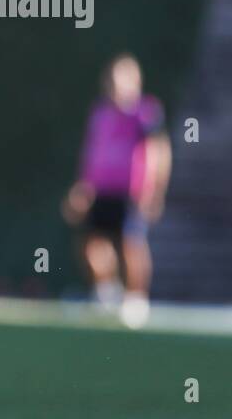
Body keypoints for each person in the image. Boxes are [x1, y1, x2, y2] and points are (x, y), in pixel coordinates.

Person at [63, 54, 172, 329]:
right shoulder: (100, 114)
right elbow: (92, 152)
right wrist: (82, 187)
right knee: (90, 243)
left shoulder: (145, 112)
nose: (114, 84)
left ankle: (136, 299)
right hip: (101, 191)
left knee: (131, 244)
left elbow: (158, 150)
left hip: (130, 191)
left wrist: (154, 190)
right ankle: (107, 291)